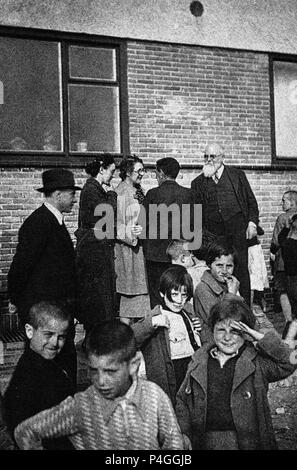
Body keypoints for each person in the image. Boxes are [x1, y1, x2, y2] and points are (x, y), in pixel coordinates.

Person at [14, 321, 183, 450]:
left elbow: (174, 445)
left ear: (134, 364)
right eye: (94, 370)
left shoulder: (154, 396)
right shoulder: (82, 406)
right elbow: (26, 431)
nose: (101, 381)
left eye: (111, 371)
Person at [176, 295, 297, 450]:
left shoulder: (256, 363)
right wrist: (184, 433)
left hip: (246, 442)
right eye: (221, 330)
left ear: (245, 332)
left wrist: (259, 336)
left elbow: (290, 361)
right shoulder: (199, 361)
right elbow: (182, 401)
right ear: (212, 330)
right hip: (206, 441)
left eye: (235, 331)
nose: (227, 337)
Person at [7, 168, 80, 381]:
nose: (74, 200)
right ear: (58, 195)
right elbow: (21, 268)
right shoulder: (39, 223)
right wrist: (19, 302)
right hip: (45, 314)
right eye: (71, 194)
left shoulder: (54, 221)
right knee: (46, 365)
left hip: (57, 311)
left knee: (59, 364)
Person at [191, 143, 259, 305]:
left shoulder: (237, 175)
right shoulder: (198, 183)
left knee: (240, 268)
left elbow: (251, 202)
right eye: (206, 156)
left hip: (237, 230)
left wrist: (252, 223)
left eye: (212, 156)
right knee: (217, 270)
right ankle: (221, 307)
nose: (208, 160)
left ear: (222, 157)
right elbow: (195, 214)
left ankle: (245, 309)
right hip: (213, 234)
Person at [4, 301, 76, 450]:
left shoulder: (47, 364)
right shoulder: (30, 374)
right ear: (30, 331)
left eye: (61, 337)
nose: (54, 343)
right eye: (48, 334)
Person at [132, 265, 201, 406]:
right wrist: (151, 323)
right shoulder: (157, 314)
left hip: (191, 366)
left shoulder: (188, 312)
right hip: (172, 372)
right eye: (174, 295)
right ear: (163, 294)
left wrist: (200, 328)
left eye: (184, 295)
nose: (179, 300)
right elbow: (131, 337)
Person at [143, 157, 195, 308]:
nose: (156, 177)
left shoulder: (152, 194)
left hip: (155, 257)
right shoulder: (189, 194)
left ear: (161, 173)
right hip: (179, 256)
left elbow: (142, 224)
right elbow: (195, 226)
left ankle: (161, 329)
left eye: (156, 173)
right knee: (178, 294)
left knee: (157, 297)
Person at [75, 156, 117, 334]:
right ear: (102, 169)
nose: (112, 176)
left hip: (96, 246)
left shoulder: (93, 188)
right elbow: (107, 212)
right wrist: (112, 194)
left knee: (99, 295)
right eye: (111, 171)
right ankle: (96, 339)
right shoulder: (92, 189)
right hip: (94, 249)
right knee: (98, 295)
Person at [115, 155, 150, 324]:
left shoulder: (137, 190)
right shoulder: (121, 192)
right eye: (139, 170)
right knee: (130, 298)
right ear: (128, 172)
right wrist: (134, 233)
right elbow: (117, 226)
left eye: (143, 170)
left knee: (139, 300)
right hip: (128, 253)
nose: (142, 173)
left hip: (138, 252)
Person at [194, 243, 240, 344]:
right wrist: (232, 294)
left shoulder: (230, 284)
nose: (224, 271)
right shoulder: (203, 289)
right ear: (209, 264)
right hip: (214, 342)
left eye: (229, 266)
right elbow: (220, 320)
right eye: (219, 265)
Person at [270, 190, 297, 326]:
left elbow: (276, 241)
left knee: (283, 290)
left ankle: (289, 322)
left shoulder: (282, 218)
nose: (282, 203)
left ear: (292, 202)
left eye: (283, 200)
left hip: (283, 261)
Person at [278, 213, 297, 334]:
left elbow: (280, 238)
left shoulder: (287, 243)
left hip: (290, 279)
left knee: (294, 308)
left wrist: (286, 227)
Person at [248, 225, 269, 316]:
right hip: (249, 251)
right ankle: (250, 307)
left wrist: (254, 224)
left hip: (255, 250)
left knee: (258, 276)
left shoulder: (251, 224)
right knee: (252, 278)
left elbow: (261, 231)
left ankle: (260, 303)